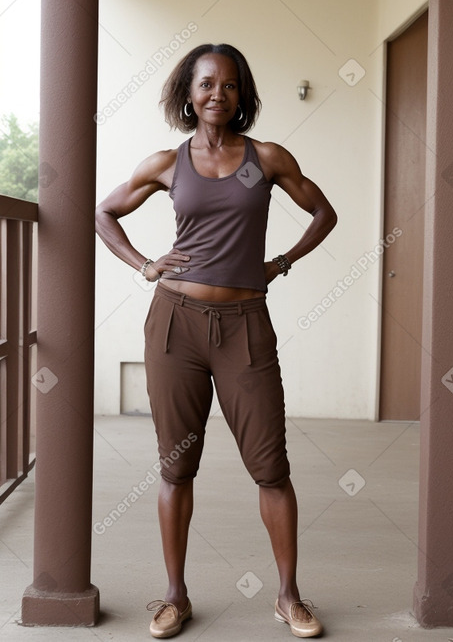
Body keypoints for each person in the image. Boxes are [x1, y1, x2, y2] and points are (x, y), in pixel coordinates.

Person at [95, 43, 337, 639]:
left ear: (243, 94)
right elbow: (105, 214)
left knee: (271, 468)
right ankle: (175, 597)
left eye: (229, 86)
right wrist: (146, 265)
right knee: (176, 469)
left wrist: (279, 262)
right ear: (188, 92)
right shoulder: (167, 163)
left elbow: (323, 212)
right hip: (175, 325)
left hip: (245, 325)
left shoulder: (264, 160)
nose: (217, 95)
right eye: (206, 84)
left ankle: (288, 596)